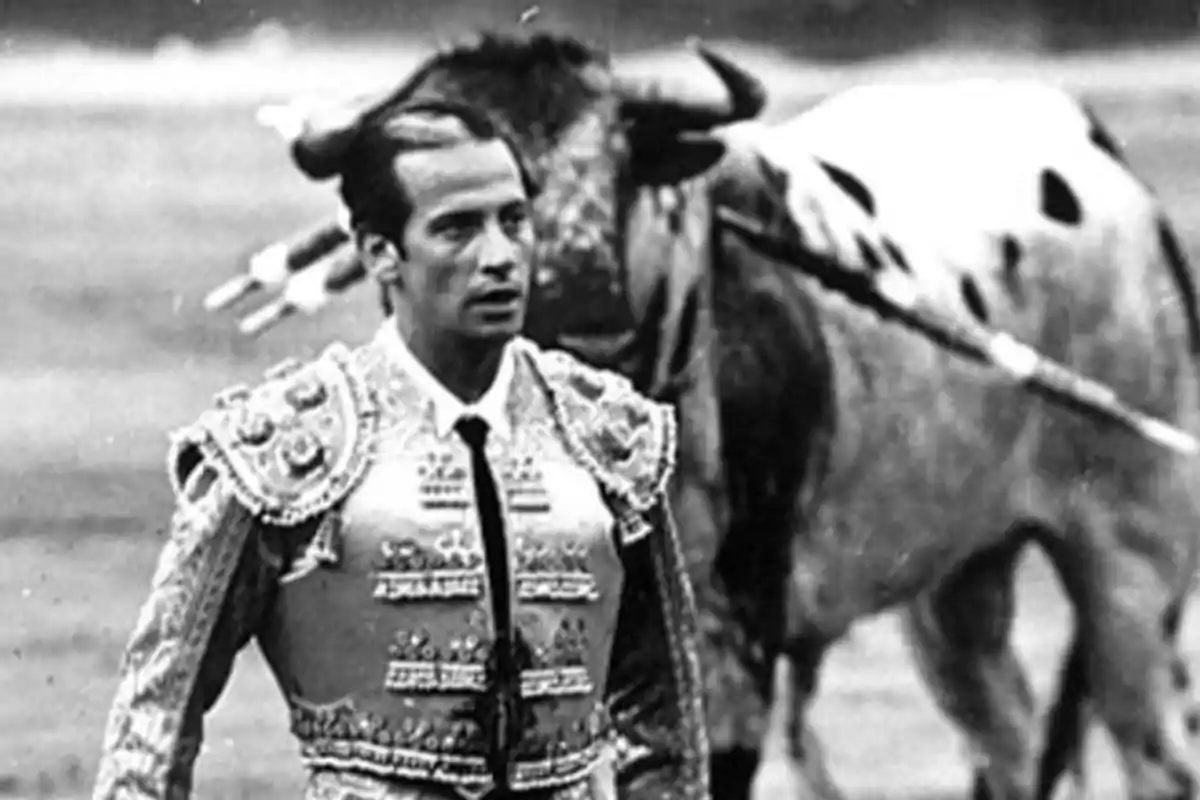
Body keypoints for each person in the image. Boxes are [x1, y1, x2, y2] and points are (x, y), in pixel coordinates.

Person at [91, 97, 709, 800]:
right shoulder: (287, 445)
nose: (501, 258)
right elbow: (157, 716)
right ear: (379, 253)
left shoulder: (605, 433)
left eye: (514, 221)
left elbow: (666, 722)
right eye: (456, 230)